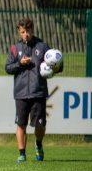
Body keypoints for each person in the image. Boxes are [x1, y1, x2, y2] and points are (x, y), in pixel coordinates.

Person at [5, 18, 63, 163]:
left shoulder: (42, 46)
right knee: (21, 124)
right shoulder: (14, 48)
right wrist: (20, 63)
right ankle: (22, 154)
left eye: (28, 31)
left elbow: (57, 64)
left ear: (32, 31)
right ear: (19, 32)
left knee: (40, 124)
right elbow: (8, 68)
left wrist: (56, 68)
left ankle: (38, 143)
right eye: (23, 32)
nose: (26, 35)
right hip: (21, 92)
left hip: (38, 91)